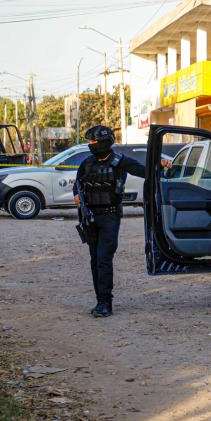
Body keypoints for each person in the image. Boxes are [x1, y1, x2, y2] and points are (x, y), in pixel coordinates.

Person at [73, 125, 161, 317]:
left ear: (103, 142)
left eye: (92, 142)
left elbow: (145, 171)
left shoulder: (120, 162)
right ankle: (99, 300)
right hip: (90, 217)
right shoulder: (87, 163)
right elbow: (78, 183)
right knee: (95, 260)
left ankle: (106, 303)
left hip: (110, 217)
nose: (90, 145)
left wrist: (160, 164)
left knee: (104, 259)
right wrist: (76, 196)